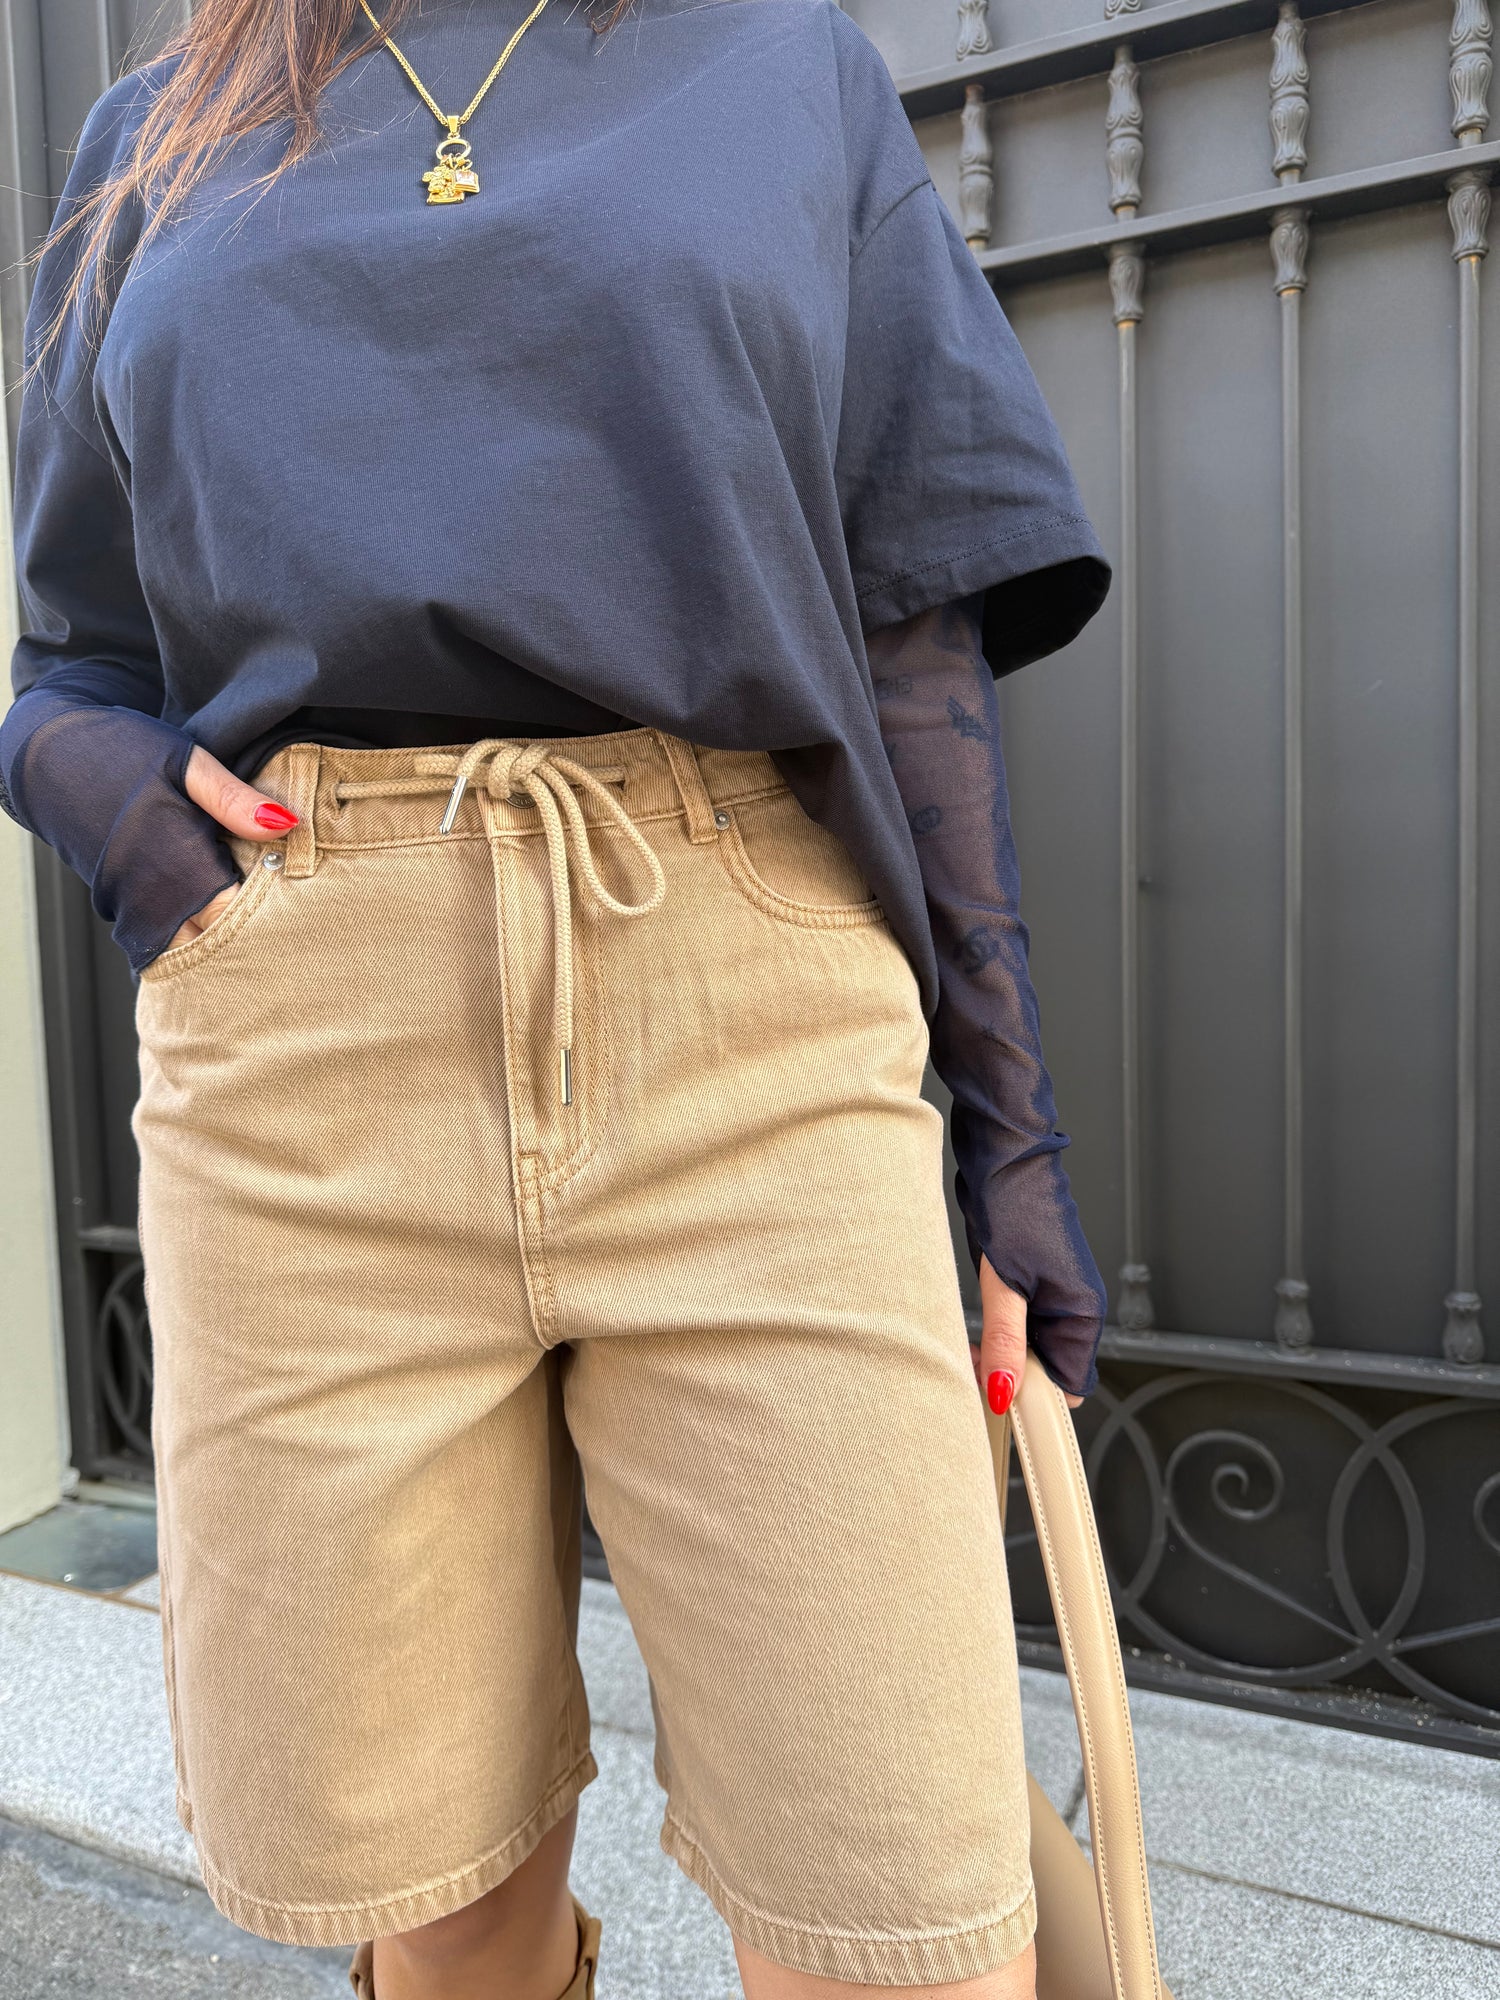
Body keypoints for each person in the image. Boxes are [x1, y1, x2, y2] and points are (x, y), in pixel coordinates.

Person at [1, 4, 1111, 1998]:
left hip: (750, 1019)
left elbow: (914, 616)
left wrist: (1009, 1131)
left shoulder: (778, 63)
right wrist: (120, 818)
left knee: (904, 1901)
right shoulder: (157, 134)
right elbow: (72, 652)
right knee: (439, 1899)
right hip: (306, 1063)